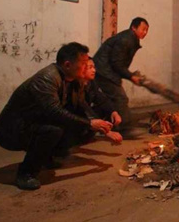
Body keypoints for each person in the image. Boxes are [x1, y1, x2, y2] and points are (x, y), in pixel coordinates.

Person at [0, 42, 113, 190]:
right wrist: (90, 124)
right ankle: (25, 174)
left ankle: (45, 157)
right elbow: (54, 112)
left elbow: (81, 107)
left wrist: (103, 127)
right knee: (54, 129)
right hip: (11, 129)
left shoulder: (72, 81)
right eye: (84, 63)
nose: (87, 67)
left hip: (34, 122)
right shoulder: (47, 79)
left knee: (80, 128)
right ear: (67, 65)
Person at [93, 17, 149, 136]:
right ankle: (125, 129)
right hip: (104, 71)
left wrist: (131, 75)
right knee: (120, 98)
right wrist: (131, 76)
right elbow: (116, 63)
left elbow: (118, 63)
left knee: (109, 99)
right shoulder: (126, 39)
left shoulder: (131, 39)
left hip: (105, 70)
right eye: (143, 29)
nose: (145, 32)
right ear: (133, 27)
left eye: (147, 30)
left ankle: (102, 125)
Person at [68, 57, 123, 144]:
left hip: (83, 115)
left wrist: (113, 112)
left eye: (94, 67)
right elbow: (83, 108)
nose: (94, 70)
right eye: (90, 68)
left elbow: (100, 98)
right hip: (71, 117)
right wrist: (106, 131)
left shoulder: (90, 82)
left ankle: (86, 136)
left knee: (107, 109)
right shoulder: (72, 84)